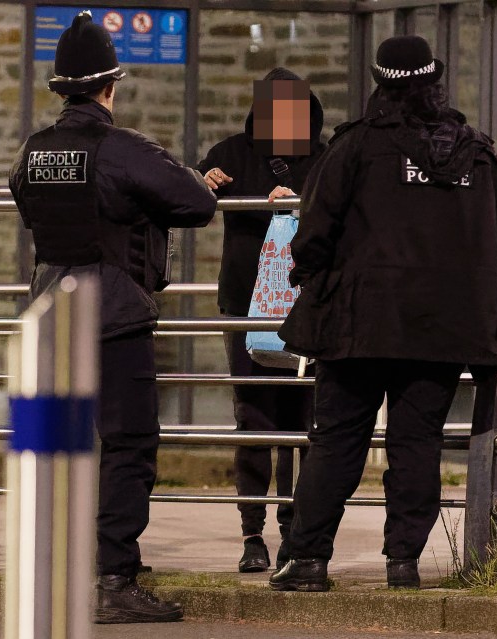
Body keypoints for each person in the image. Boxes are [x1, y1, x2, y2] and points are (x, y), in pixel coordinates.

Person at [269, 35, 497, 591]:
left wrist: (317, 278)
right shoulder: (476, 156)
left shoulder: (355, 148)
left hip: (360, 321)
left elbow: (314, 231)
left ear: (380, 82)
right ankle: (402, 562)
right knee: (417, 444)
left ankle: (308, 559)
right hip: (442, 327)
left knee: (337, 440)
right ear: (435, 81)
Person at [8, 11, 216, 623]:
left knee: (56, 448)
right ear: (109, 88)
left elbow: (26, 202)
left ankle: (57, 569)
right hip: (116, 314)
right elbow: (197, 202)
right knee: (129, 445)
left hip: (52, 313)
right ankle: (113, 578)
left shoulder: (35, 151)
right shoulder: (123, 150)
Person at [197, 68, 327, 573]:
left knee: (302, 421)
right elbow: (194, 193)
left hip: (303, 305)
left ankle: (295, 528)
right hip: (244, 305)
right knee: (253, 419)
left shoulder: (322, 160)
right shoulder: (232, 152)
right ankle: (253, 534)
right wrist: (204, 180)